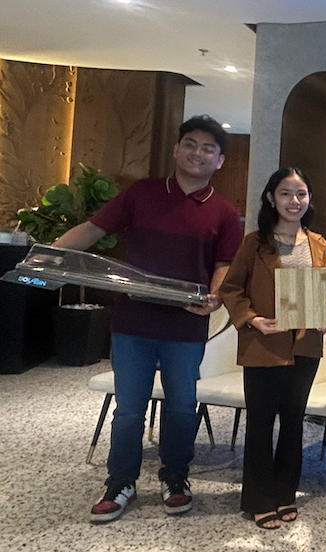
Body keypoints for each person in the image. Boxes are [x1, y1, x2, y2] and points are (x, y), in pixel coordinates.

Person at [53, 115, 243, 523]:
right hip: (133, 322)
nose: (197, 153)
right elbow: (93, 228)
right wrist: (50, 254)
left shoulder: (225, 212)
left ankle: (175, 477)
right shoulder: (142, 193)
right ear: (176, 149)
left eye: (208, 149)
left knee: (182, 407)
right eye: (190, 144)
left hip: (185, 326)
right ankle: (120, 482)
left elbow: (224, 264)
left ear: (219, 160)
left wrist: (214, 298)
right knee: (129, 409)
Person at [218, 167, 326, 529]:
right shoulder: (254, 242)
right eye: (285, 193)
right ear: (271, 198)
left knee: (294, 423)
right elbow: (231, 289)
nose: (294, 201)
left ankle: (285, 493)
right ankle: (258, 499)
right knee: (261, 423)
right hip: (263, 343)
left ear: (309, 198)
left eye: (301, 194)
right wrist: (252, 319)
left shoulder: (320, 244)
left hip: (305, 346)